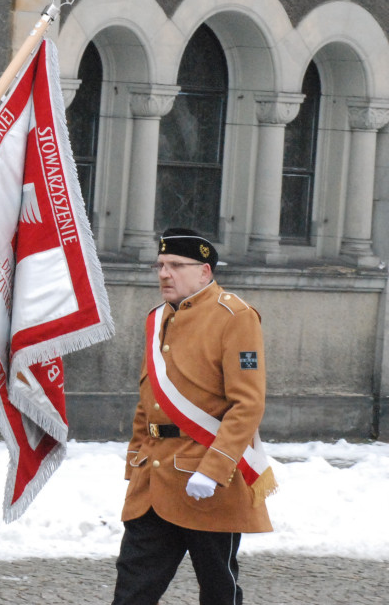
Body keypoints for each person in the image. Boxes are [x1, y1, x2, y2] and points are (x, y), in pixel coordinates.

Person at [111, 228, 278, 605]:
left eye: (175, 266)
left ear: (204, 271)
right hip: (153, 480)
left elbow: (247, 404)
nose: (164, 274)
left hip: (206, 480)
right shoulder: (156, 318)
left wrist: (214, 468)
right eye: (160, 265)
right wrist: (135, 461)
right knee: (131, 590)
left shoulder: (235, 316)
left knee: (219, 591)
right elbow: (147, 399)